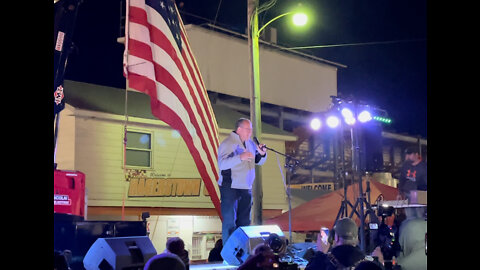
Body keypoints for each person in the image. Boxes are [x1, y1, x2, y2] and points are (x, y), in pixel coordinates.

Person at [217, 118, 267, 244]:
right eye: (247, 129)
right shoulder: (228, 143)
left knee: (244, 221)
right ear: (239, 130)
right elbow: (222, 164)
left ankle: (242, 250)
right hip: (230, 187)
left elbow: (259, 161)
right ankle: (229, 253)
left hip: (246, 187)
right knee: (230, 220)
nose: (250, 132)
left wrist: (261, 154)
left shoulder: (250, 144)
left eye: (250, 129)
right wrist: (240, 157)